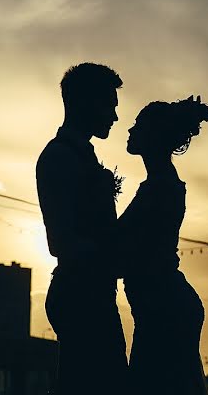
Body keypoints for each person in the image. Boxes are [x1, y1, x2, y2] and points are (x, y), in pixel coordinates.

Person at [36, 63, 127, 394]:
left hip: (92, 293)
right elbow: (61, 242)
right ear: (86, 103)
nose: (115, 117)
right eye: (109, 106)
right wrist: (116, 252)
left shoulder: (82, 155)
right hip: (81, 295)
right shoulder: (59, 157)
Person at [119, 95, 208, 394]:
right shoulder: (159, 184)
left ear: (154, 136)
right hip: (161, 305)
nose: (130, 131)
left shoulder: (161, 188)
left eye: (138, 126)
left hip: (164, 308)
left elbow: (124, 249)